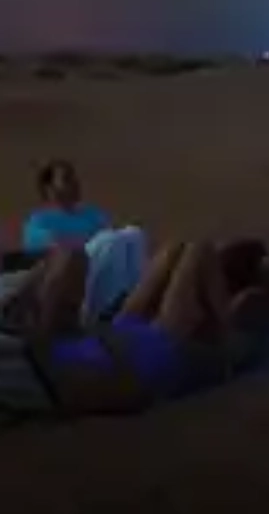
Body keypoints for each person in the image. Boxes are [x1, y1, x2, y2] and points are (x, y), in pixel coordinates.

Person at [0, 240, 240, 418]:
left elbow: (200, 252)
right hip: (111, 344)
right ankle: (15, 309)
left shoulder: (187, 340)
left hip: (133, 355)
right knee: (185, 249)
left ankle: (16, 310)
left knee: (195, 250)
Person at [20, 159, 148, 323]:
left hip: (103, 261)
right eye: (66, 179)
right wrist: (92, 241)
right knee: (108, 240)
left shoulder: (93, 213)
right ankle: (106, 307)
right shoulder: (39, 221)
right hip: (77, 271)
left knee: (135, 234)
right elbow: (51, 254)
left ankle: (134, 299)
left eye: (74, 178)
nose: (75, 183)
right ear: (49, 189)